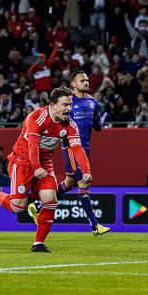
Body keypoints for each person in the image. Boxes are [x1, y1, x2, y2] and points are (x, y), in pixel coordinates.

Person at [0, 87, 92, 253]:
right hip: (23, 161)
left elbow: (77, 148)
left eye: (70, 104)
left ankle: (38, 243)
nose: (69, 108)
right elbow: (32, 145)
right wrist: (36, 167)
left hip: (45, 162)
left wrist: (86, 171)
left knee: (51, 199)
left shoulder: (70, 125)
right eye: (65, 104)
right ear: (53, 104)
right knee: (18, 207)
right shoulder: (36, 118)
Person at [29, 70, 110, 236]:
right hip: (70, 147)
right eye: (82, 80)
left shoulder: (93, 102)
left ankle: (37, 206)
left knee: (70, 183)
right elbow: (58, 121)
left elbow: (97, 126)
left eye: (87, 80)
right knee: (83, 183)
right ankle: (95, 225)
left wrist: (98, 119)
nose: (86, 83)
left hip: (84, 148)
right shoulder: (67, 103)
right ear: (73, 84)